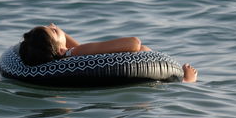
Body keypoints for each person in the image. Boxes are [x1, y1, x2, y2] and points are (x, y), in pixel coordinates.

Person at [19, 23, 197, 83]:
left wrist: (61, 35)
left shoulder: (70, 56)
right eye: (55, 31)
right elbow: (134, 44)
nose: (55, 27)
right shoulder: (75, 52)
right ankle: (188, 82)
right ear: (60, 50)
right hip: (147, 71)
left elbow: (82, 51)